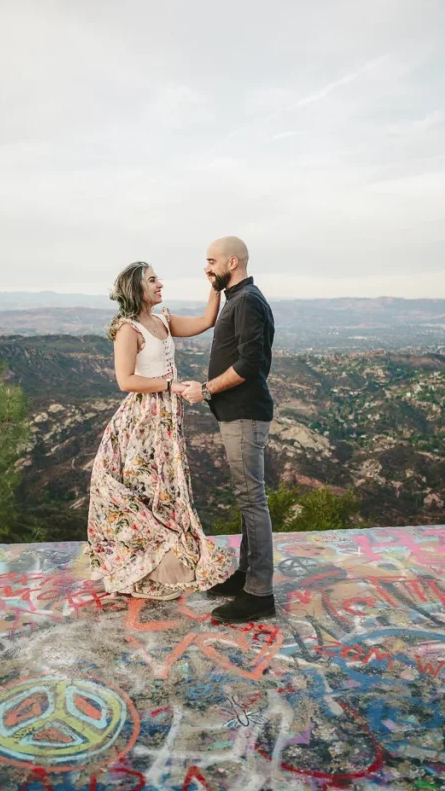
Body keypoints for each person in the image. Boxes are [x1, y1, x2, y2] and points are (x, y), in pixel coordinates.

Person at [86, 261, 235, 600]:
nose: (159, 284)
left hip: (166, 415)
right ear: (136, 289)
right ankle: (144, 561)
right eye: (152, 280)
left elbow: (205, 321)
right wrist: (171, 386)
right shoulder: (129, 329)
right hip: (143, 419)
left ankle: (168, 559)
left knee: (166, 486)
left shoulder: (163, 320)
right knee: (144, 485)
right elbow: (126, 380)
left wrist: (215, 287)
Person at [182, 237, 276, 623]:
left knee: (252, 500)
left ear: (232, 261)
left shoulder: (248, 301)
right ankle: (244, 576)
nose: (205, 267)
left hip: (245, 414)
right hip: (237, 413)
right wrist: (214, 286)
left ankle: (259, 594)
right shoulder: (237, 298)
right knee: (245, 498)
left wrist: (204, 390)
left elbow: (250, 362)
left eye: (210, 261)